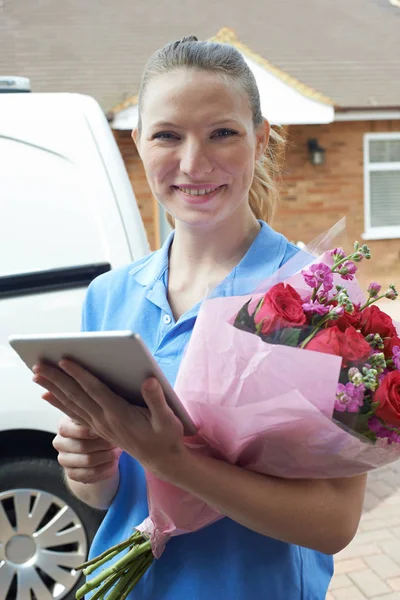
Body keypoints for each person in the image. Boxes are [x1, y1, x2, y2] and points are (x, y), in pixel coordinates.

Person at [33, 36, 367, 599]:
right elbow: (106, 497)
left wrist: (175, 463)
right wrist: (90, 467)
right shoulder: (108, 296)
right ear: (137, 141)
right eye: (167, 134)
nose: (193, 162)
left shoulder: (318, 299)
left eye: (223, 133)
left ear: (260, 140)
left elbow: (334, 525)